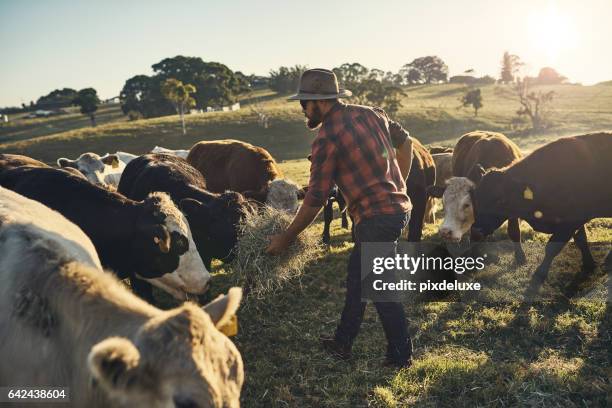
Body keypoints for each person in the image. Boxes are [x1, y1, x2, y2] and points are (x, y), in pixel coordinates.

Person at [265, 68, 414, 368]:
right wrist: (400, 186)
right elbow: (406, 142)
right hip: (395, 211)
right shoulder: (373, 113)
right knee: (358, 279)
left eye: (304, 104)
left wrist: (286, 237)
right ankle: (342, 343)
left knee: (380, 287)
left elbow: (315, 200)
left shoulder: (326, 139)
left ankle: (401, 356)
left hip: (377, 218)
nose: (302, 110)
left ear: (319, 102)